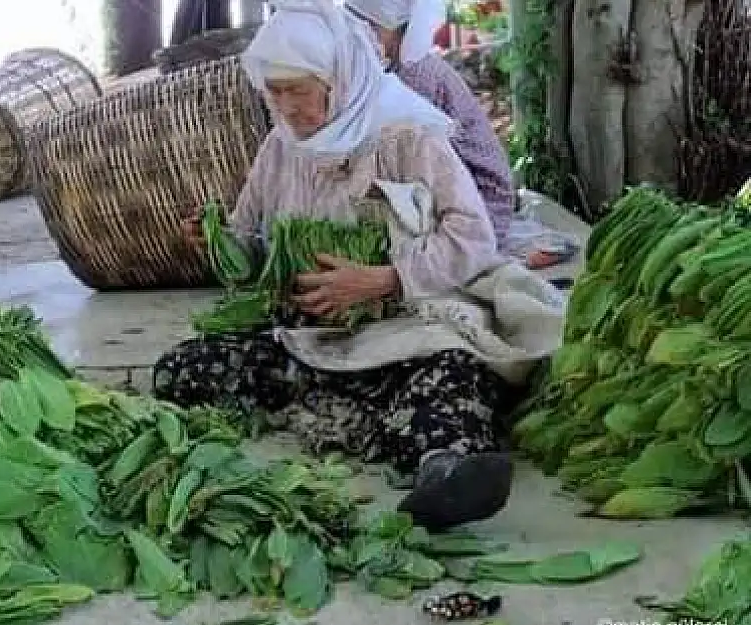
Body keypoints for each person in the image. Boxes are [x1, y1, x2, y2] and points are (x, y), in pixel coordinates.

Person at [157, 0, 562, 532]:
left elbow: (474, 237)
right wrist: (218, 243)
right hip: (308, 338)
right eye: (273, 91)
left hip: (405, 330)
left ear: (337, 78)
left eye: (298, 89)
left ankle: (443, 468)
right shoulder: (280, 149)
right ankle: (364, 411)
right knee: (182, 369)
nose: (286, 107)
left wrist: (385, 278)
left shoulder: (407, 136)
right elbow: (252, 247)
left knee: (450, 378)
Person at [343, 0, 515, 246]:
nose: (357, 36)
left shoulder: (416, 76)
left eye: (368, 26)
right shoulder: (381, 69)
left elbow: (398, 161)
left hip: (481, 205)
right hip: (432, 194)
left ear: (397, 29)